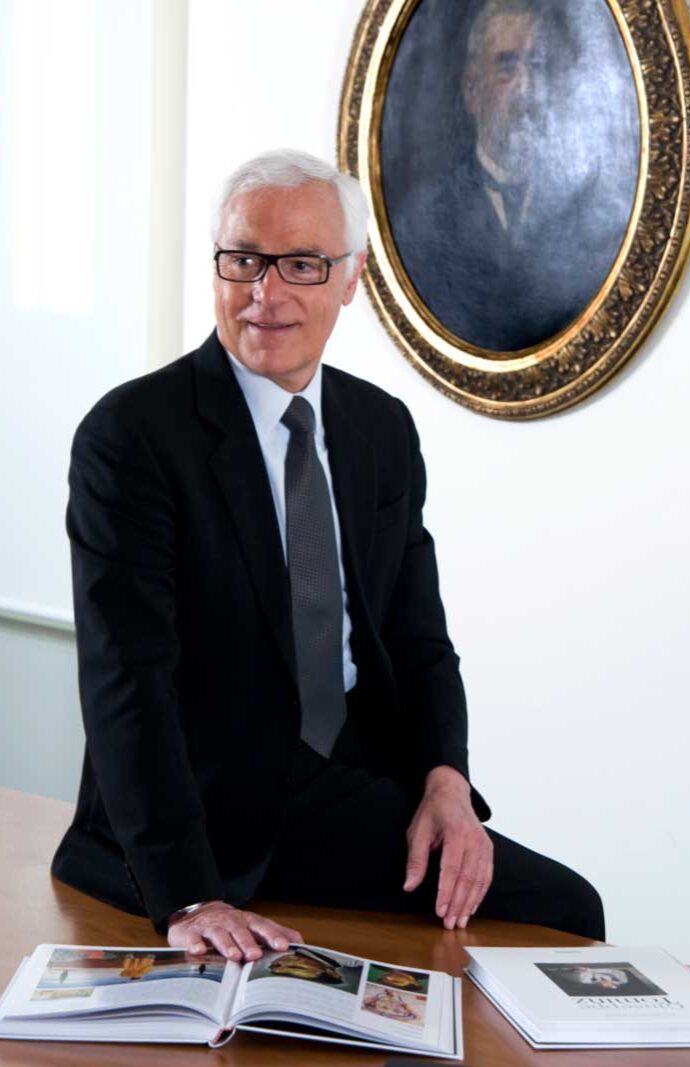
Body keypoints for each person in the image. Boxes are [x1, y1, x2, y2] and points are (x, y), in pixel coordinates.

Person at [52, 149, 604, 961]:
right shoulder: (132, 435)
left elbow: (420, 639)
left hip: (344, 782)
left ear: (350, 279)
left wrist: (446, 781)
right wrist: (187, 891)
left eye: (301, 264)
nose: (264, 293)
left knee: (564, 909)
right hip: (199, 802)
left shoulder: (380, 430)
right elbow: (125, 677)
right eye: (242, 259)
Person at [388, 0, 637, 351]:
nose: (527, 89)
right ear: (473, 91)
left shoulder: (591, 211)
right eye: (507, 67)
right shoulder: (424, 219)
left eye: (537, 66)